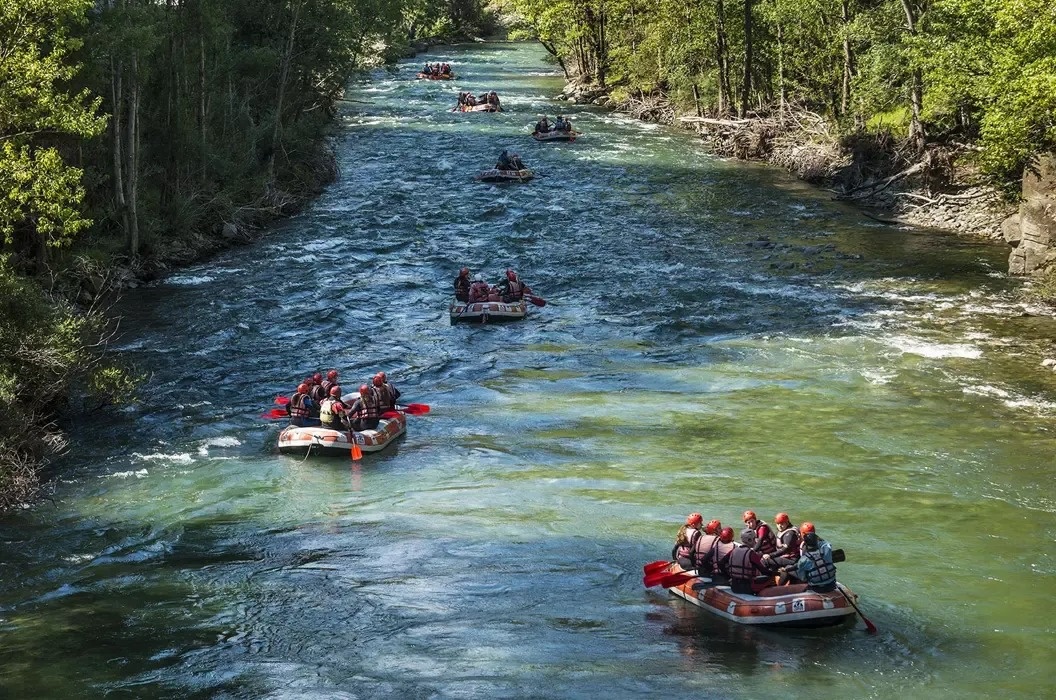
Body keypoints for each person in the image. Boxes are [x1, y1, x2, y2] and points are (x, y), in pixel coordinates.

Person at [725, 530, 772, 594]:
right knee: (769, 578)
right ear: (749, 540)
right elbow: (763, 571)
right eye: (754, 539)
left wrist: (728, 575)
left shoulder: (733, 551)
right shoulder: (751, 554)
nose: (755, 541)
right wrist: (776, 573)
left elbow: (721, 562)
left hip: (734, 586)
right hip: (747, 588)